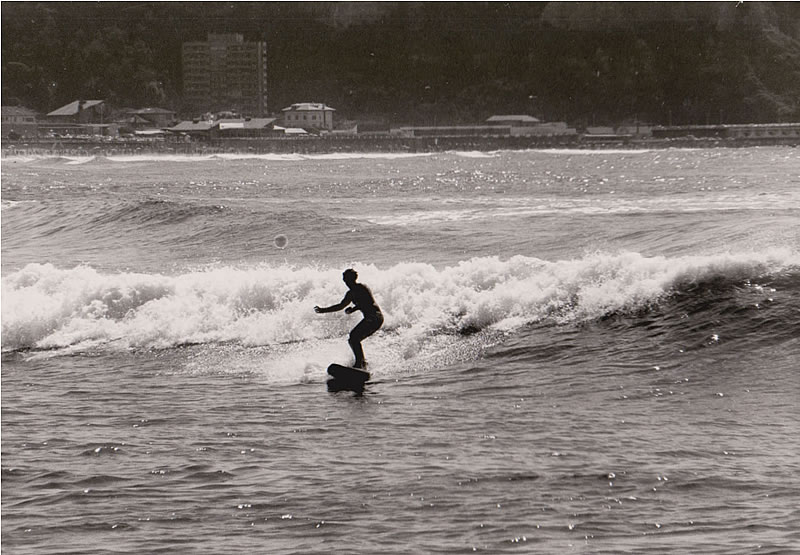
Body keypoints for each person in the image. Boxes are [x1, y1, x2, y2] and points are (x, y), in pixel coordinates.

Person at [315, 269, 383, 369]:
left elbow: (367, 303)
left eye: (347, 280)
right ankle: (362, 363)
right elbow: (340, 306)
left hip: (375, 317)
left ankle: (360, 363)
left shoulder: (362, 288)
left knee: (354, 337)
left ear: (353, 279)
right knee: (353, 339)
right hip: (372, 318)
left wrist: (353, 309)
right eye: (345, 280)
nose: (346, 282)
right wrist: (323, 310)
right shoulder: (350, 294)